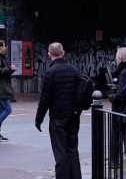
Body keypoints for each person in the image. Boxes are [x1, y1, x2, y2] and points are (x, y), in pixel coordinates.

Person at [35, 42, 81, 179]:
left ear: (49, 55)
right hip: (73, 116)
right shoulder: (74, 70)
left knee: (60, 152)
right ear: (63, 53)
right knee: (72, 150)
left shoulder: (50, 73)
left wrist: (39, 119)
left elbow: (45, 100)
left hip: (58, 117)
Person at [107, 47, 126, 113]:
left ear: (120, 59)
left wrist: (111, 97)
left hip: (124, 110)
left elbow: (120, 95)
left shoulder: (124, 73)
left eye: (116, 58)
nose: (116, 60)